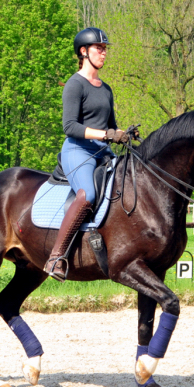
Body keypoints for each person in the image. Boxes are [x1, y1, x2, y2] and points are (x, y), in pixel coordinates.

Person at [43, 27, 130, 282]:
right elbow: (70, 127)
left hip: (103, 152)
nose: (104, 53)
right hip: (78, 150)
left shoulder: (106, 88)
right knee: (87, 195)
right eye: (99, 49)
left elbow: (110, 124)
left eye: (105, 49)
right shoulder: (74, 84)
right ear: (84, 52)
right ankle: (56, 257)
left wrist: (122, 133)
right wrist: (106, 135)